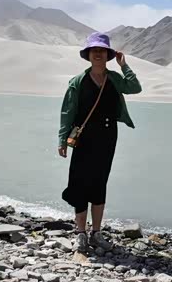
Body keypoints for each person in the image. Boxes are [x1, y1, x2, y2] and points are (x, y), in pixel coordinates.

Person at [58, 32, 142, 253]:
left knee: (99, 183)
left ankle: (96, 233)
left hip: (107, 137)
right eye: (94, 50)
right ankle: (81, 234)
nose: (98, 54)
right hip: (83, 139)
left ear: (108, 55)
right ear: (88, 55)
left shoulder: (114, 79)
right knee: (79, 183)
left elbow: (135, 87)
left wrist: (124, 66)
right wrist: (62, 139)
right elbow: (67, 112)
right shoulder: (77, 82)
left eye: (102, 51)